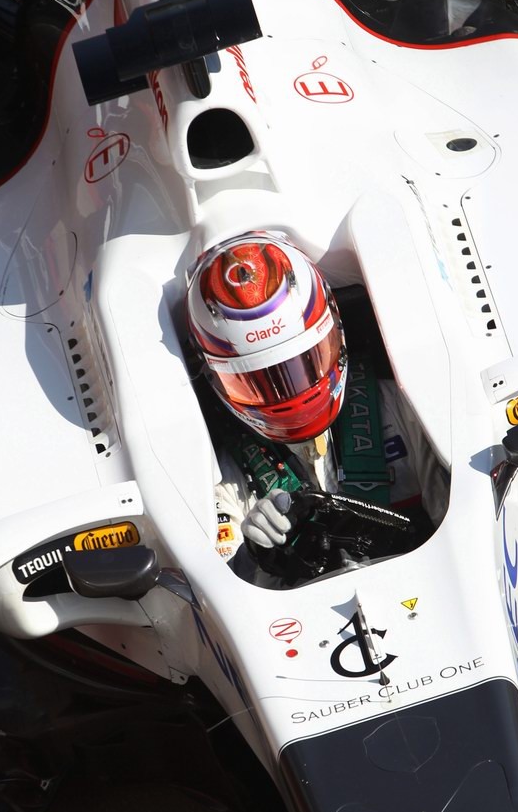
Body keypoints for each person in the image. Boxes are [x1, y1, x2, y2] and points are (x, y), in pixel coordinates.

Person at [187, 231, 448, 577]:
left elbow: (464, 530)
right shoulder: (223, 477)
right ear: (214, 377)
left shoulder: (403, 409)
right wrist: (253, 558)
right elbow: (219, 598)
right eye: (259, 381)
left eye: (303, 365)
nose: (289, 395)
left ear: (334, 332)